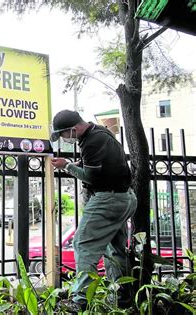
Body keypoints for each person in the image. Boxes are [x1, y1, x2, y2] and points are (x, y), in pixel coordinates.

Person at [49, 110, 137, 311]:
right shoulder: (101, 133)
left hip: (108, 199)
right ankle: (123, 300)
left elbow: (92, 177)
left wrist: (67, 166)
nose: (64, 139)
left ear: (74, 129)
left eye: (64, 134)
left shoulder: (92, 141)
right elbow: (105, 165)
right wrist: (78, 163)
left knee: (82, 243)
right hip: (125, 198)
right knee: (114, 250)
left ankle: (79, 301)